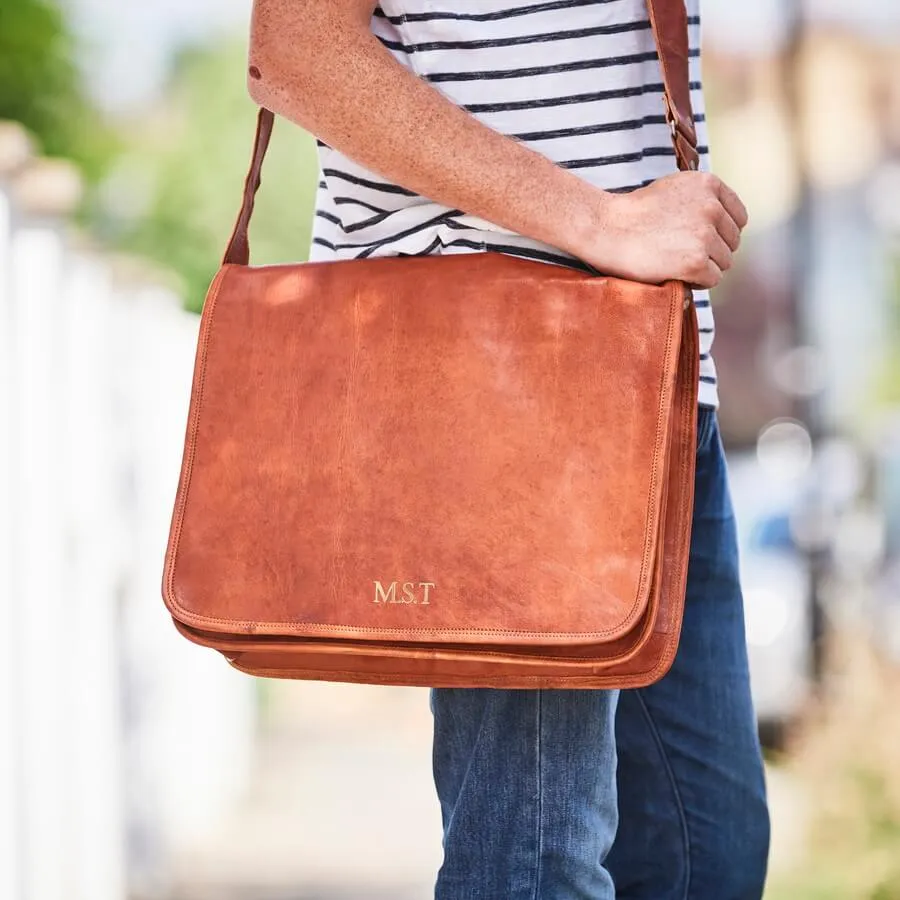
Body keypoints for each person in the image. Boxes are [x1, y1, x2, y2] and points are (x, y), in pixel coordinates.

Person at [246, 1, 770, 897]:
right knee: (536, 863)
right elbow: (294, 52)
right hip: (504, 383)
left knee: (702, 858)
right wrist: (602, 225)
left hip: (661, 379)